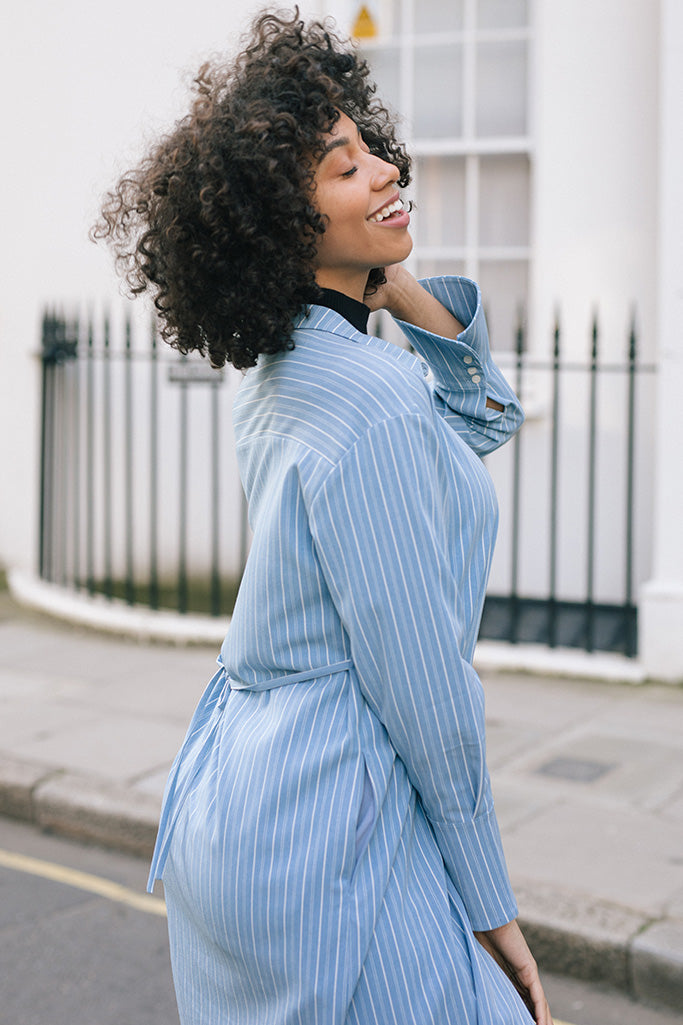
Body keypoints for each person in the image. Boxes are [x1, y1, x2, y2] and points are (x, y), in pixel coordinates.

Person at [94, 9, 553, 1024]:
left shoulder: (289, 370)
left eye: (370, 150)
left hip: (249, 801)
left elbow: (484, 415)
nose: (386, 171)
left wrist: (392, 281)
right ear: (283, 226)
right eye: (344, 169)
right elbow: (424, 691)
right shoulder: (368, 399)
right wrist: (492, 908)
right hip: (334, 815)